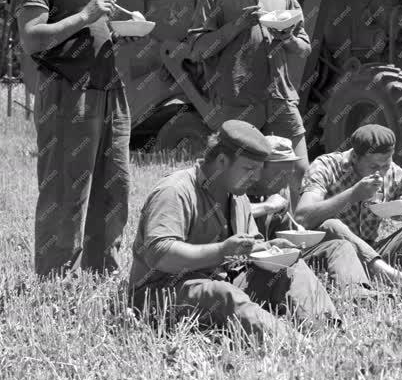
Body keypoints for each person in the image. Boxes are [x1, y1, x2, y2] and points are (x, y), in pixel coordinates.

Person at [128, 120, 340, 344]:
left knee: (292, 269)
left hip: (222, 281)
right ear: (221, 161)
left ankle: (329, 332)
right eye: (249, 169)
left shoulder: (237, 195)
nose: (256, 178)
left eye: (259, 170)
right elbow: (158, 253)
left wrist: (269, 248)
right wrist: (221, 251)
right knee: (222, 295)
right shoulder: (175, 190)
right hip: (162, 293)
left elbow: (249, 247)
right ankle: (295, 345)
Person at [14, 0, 133, 278]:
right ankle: (55, 277)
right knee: (66, 189)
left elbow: (89, 25)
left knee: (115, 185)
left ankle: (101, 270)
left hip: (108, 90)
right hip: (68, 94)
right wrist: (86, 16)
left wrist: (115, 28)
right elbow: (32, 38)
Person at [189, 0, 311, 207]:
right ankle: (236, 235)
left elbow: (304, 48)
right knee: (239, 179)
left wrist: (287, 37)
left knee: (299, 170)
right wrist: (237, 26)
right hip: (238, 101)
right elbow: (197, 50)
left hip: (280, 97)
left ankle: (298, 235)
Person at [295, 124, 402, 289]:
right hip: (336, 254)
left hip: (372, 250)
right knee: (331, 225)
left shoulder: (391, 172)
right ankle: (398, 279)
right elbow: (302, 218)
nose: (381, 172)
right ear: (354, 157)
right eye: (374, 167)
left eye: (386, 165)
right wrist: (351, 195)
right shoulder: (326, 166)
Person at [247, 136, 382, 298]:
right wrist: (267, 207)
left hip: (279, 257)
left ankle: (357, 292)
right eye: (280, 174)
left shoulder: (280, 191)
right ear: (259, 168)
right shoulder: (239, 189)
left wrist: (297, 236)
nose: (286, 181)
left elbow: (284, 232)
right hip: (251, 265)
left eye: (289, 174)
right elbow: (230, 214)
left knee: (339, 246)